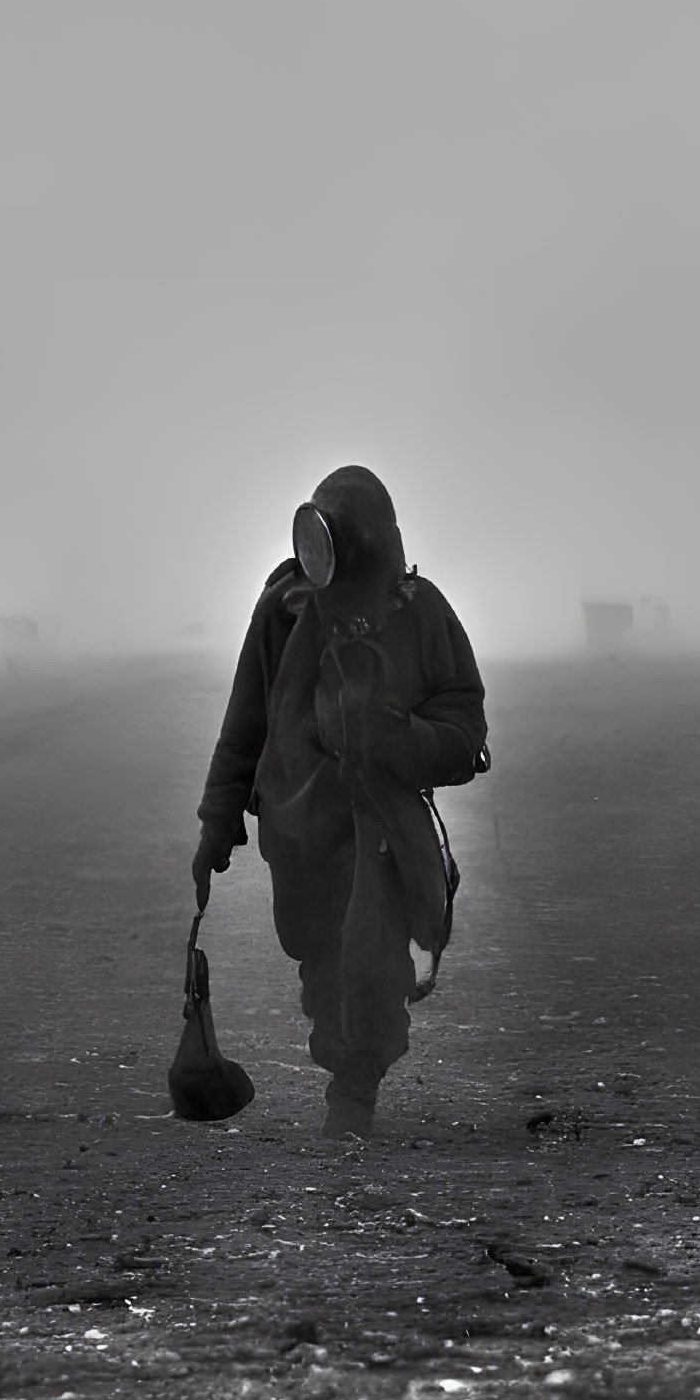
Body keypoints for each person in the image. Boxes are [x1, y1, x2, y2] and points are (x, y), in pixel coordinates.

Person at [192, 466, 488, 1139]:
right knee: (320, 957)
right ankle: (342, 1061)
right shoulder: (284, 612)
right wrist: (218, 819)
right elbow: (246, 721)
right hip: (297, 824)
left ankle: (355, 1089)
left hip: (379, 824)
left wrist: (403, 735)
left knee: (372, 954)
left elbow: (466, 726)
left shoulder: (419, 612)